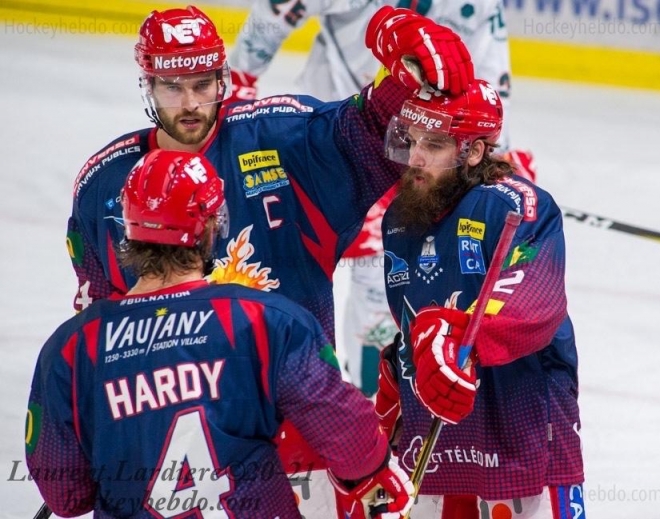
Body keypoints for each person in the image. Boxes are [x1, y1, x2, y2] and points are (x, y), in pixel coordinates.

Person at [65, 4, 472, 517]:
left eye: (202, 84)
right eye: (172, 87)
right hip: (161, 448)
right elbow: (100, 333)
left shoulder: (281, 138)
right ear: (147, 85)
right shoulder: (103, 187)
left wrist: (406, 74)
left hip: (301, 433)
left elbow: (369, 129)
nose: (189, 103)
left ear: (223, 77)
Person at [27, 150, 413, 519]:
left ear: (129, 229)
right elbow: (349, 440)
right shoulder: (267, 319)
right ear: (212, 226)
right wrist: (376, 471)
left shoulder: (70, 347)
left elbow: (65, 495)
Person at [227, 0, 536, 394]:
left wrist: (496, 151)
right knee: (288, 259)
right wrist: (241, 75)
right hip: (329, 142)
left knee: (385, 274)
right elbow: (281, 8)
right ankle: (271, 385)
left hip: (416, 148)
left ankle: (368, 402)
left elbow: (486, 72)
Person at [373, 79, 585, 518]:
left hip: (519, 425)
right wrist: (402, 362)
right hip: (435, 428)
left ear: (472, 153)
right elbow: (412, 311)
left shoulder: (516, 205)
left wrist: (452, 338)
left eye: (433, 144)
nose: (415, 157)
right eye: (411, 140)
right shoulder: (401, 216)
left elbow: (533, 297)